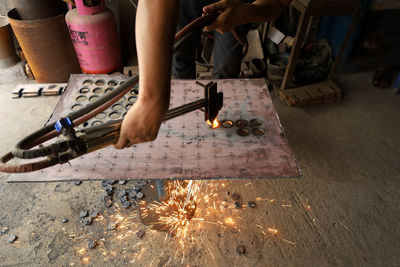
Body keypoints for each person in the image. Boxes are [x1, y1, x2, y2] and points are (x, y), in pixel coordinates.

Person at [114, 0, 291, 149]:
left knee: (227, 69)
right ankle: (188, 125)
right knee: (181, 57)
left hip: (236, 3)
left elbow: (278, 3)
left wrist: (250, 11)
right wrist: (151, 99)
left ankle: (217, 124)